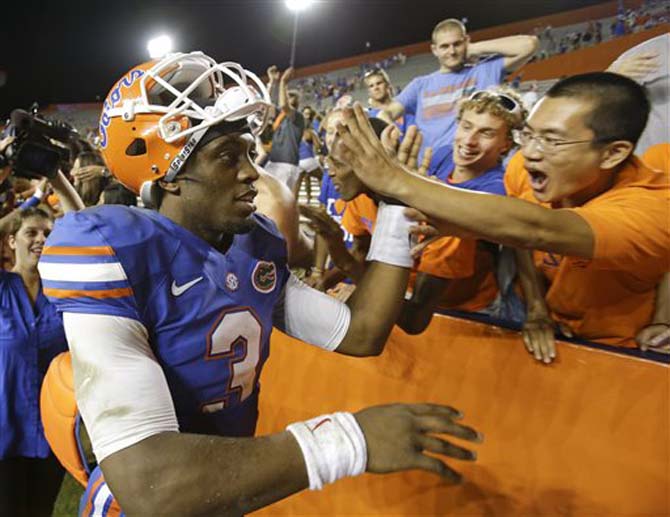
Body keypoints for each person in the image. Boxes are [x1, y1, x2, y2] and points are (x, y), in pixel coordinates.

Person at [39, 52, 481, 515]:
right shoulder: (113, 248)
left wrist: (394, 204)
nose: (251, 171)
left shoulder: (254, 246)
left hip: (223, 493)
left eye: (249, 151)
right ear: (167, 176)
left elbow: (362, 332)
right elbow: (150, 483)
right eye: (227, 157)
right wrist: (349, 441)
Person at [334, 72, 669, 361]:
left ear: (613, 153)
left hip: (616, 343)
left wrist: (394, 180)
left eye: (552, 140)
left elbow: (534, 227)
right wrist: (537, 308)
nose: (532, 152)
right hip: (539, 320)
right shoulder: (526, 170)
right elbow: (519, 236)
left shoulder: (652, 208)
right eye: (530, 135)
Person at [399, 89, 527, 335]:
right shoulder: (443, 155)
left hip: (467, 309)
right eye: (467, 126)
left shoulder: (496, 188)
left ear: (506, 145)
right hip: (417, 292)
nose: (469, 141)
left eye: (486, 133)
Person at [0, 157, 84, 515]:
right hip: (5, 432)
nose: (40, 239)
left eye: (47, 233)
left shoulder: (65, 291)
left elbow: (84, 227)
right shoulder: (3, 289)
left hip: (53, 433)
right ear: (10, 241)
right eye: (31, 233)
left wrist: (56, 177)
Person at [380, 18, 538, 158]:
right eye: (444, 46)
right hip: (428, 169)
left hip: (474, 166)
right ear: (434, 50)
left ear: (466, 41)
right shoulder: (420, 84)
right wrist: (390, 127)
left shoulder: (485, 70)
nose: (452, 51)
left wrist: (475, 48)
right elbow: (387, 112)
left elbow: (529, 45)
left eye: (457, 44)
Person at [265, 66, 305, 193]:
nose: (286, 98)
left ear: (296, 101)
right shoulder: (280, 116)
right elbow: (266, 104)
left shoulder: (297, 117)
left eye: (289, 96)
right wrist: (272, 82)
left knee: (279, 204)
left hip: (286, 165)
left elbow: (283, 104)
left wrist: (283, 82)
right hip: (274, 162)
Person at [364, 68, 414, 133]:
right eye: (371, 86)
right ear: (369, 92)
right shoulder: (370, 118)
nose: (376, 88)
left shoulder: (405, 105)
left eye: (379, 83)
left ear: (388, 85)